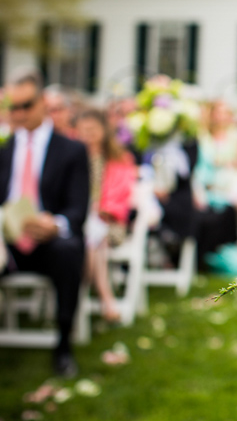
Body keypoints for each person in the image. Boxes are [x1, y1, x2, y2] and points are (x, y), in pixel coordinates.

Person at [0, 68, 90, 377]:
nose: (19, 114)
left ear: (42, 103)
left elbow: (78, 210)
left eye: (26, 105)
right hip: (7, 241)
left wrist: (56, 224)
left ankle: (63, 345)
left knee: (69, 249)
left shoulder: (72, 149)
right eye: (13, 107)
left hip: (49, 241)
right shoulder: (4, 147)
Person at [75, 108, 137, 322]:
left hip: (109, 222)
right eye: (83, 130)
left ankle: (95, 298)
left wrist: (100, 210)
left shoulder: (118, 158)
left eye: (92, 130)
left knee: (93, 238)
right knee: (90, 237)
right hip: (81, 220)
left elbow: (121, 195)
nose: (88, 135)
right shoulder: (74, 158)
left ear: (104, 130)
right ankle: (105, 298)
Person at [192, 100, 237, 268]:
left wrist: (228, 164)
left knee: (235, 185)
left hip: (229, 180)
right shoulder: (202, 136)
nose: (221, 116)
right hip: (208, 184)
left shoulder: (235, 136)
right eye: (218, 112)